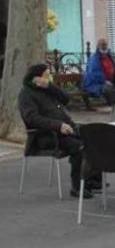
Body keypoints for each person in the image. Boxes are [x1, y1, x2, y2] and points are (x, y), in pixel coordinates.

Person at [18, 64, 102, 199]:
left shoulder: (47, 89)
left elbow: (66, 98)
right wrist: (57, 125)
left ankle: (93, 181)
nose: (48, 77)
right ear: (36, 78)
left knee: (94, 138)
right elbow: (32, 118)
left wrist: (50, 86)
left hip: (66, 129)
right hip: (46, 136)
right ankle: (77, 187)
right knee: (79, 146)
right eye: (46, 75)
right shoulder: (26, 95)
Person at [82, 38, 115, 104]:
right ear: (98, 46)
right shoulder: (94, 59)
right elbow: (93, 74)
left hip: (110, 81)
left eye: (105, 45)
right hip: (95, 84)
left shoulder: (110, 56)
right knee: (108, 88)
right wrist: (105, 81)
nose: (104, 46)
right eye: (102, 45)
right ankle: (114, 105)